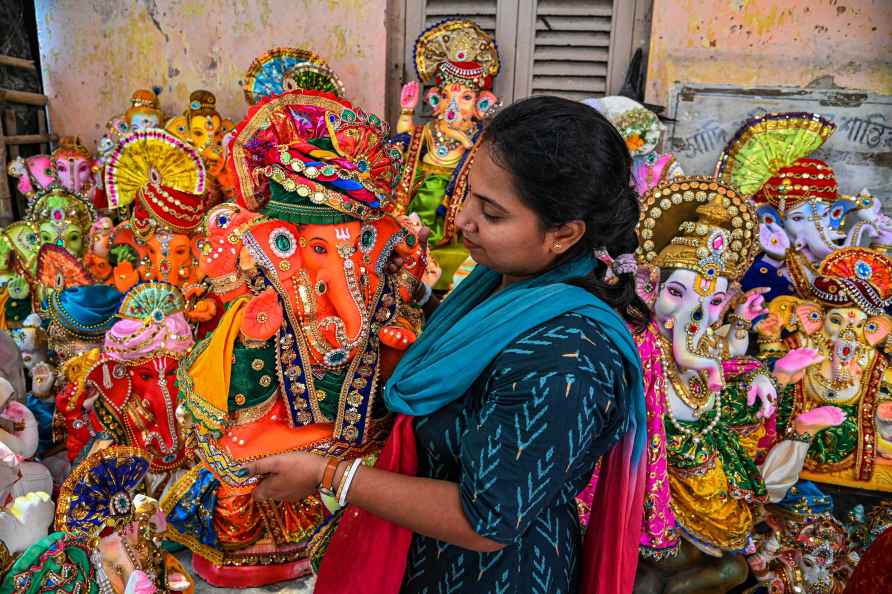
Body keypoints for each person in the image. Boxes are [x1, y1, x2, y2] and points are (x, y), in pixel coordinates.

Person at [243, 96, 650, 594]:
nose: (462, 222)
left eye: (492, 213)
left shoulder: (567, 358)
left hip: (494, 578)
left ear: (562, 234)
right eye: (470, 194)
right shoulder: (500, 284)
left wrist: (330, 475)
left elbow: (486, 520)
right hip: (421, 556)